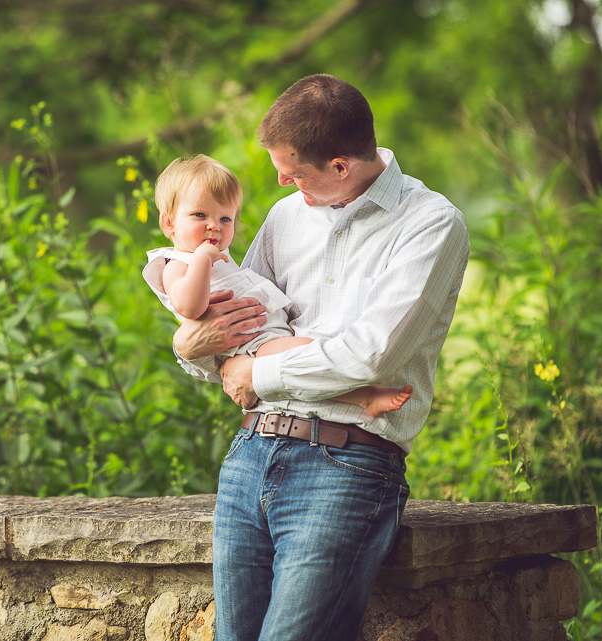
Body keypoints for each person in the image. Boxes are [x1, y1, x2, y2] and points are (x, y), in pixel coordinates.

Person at [172, 75, 470, 641]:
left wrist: (254, 371)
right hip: (250, 452)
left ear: (340, 165)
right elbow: (234, 318)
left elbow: (371, 355)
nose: (281, 181)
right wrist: (190, 348)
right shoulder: (287, 216)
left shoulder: (429, 223)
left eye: (293, 171)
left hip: (345, 465)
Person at [143, 154, 412, 418]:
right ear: (169, 223)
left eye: (225, 219)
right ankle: (364, 397)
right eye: (200, 215)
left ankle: (360, 395)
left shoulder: (209, 257)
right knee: (305, 351)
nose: (214, 226)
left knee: (302, 357)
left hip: (261, 337)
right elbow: (189, 306)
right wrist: (201, 259)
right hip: (250, 345)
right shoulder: (175, 264)